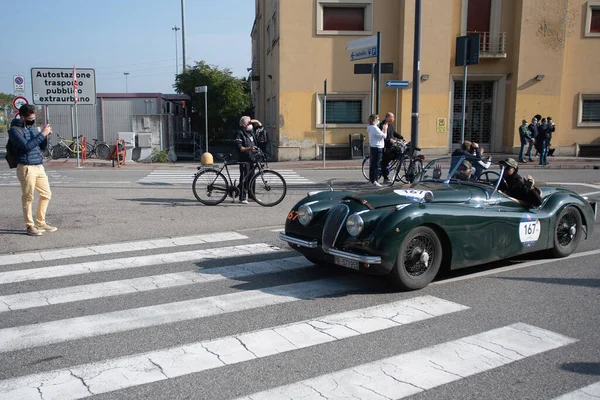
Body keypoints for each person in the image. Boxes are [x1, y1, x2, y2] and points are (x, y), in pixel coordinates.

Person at [9, 104, 57, 236]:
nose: (32, 121)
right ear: (22, 117)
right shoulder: (14, 130)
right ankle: (30, 226)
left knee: (46, 194)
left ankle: (41, 223)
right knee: (28, 197)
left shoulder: (32, 128)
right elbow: (26, 146)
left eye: (34, 118)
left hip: (38, 165)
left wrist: (45, 136)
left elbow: (41, 146)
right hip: (26, 167)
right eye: (30, 118)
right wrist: (42, 134)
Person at [234, 116, 259, 204]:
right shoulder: (240, 133)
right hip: (244, 159)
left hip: (251, 159)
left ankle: (252, 196)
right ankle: (242, 197)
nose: (250, 124)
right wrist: (250, 148)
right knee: (244, 178)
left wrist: (256, 121)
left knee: (252, 178)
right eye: (249, 123)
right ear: (244, 124)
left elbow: (260, 129)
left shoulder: (250, 132)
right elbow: (240, 148)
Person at [378, 112, 404, 185]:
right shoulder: (382, 125)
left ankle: (392, 167)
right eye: (391, 117)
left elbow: (394, 133)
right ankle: (385, 178)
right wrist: (389, 140)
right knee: (385, 162)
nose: (393, 119)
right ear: (387, 118)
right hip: (385, 146)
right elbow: (382, 137)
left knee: (398, 153)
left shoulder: (390, 125)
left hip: (392, 146)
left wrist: (401, 137)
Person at [367, 114, 386, 187]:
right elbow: (384, 136)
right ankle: (374, 180)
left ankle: (371, 180)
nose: (378, 121)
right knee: (376, 164)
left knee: (373, 164)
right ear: (374, 120)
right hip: (377, 147)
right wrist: (385, 129)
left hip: (373, 147)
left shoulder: (371, 128)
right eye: (377, 119)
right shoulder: (374, 128)